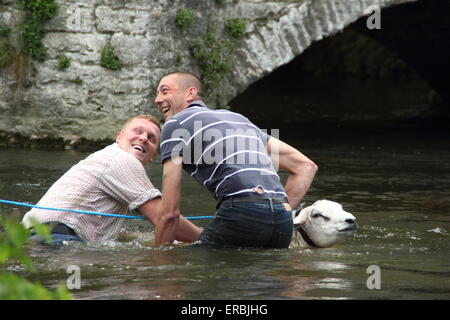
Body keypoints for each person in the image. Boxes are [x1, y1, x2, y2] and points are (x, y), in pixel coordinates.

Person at [154, 72, 318, 248]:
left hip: (241, 209)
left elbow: (169, 214)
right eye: (156, 94)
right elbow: (306, 166)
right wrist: (280, 213)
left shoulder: (175, 124)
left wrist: (157, 262)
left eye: (164, 91)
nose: (157, 100)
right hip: (282, 220)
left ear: (190, 93)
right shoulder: (239, 119)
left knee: (194, 267)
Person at [22, 115, 203, 244]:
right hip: (56, 240)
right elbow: (165, 217)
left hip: (32, 238)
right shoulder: (121, 159)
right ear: (119, 137)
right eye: (137, 131)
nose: (143, 138)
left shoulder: (106, 157)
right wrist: (206, 236)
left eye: (151, 138)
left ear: (153, 154)